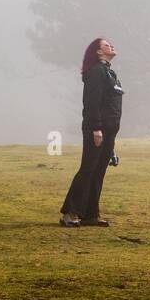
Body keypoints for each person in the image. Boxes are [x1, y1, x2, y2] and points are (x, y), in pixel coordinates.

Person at [59, 37, 124, 227]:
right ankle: (70, 213)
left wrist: (110, 142)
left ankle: (90, 215)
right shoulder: (96, 72)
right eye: (106, 45)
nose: (111, 45)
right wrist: (96, 128)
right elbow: (92, 102)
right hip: (97, 129)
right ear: (98, 51)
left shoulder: (109, 72)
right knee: (88, 169)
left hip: (109, 131)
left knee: (98, 171)